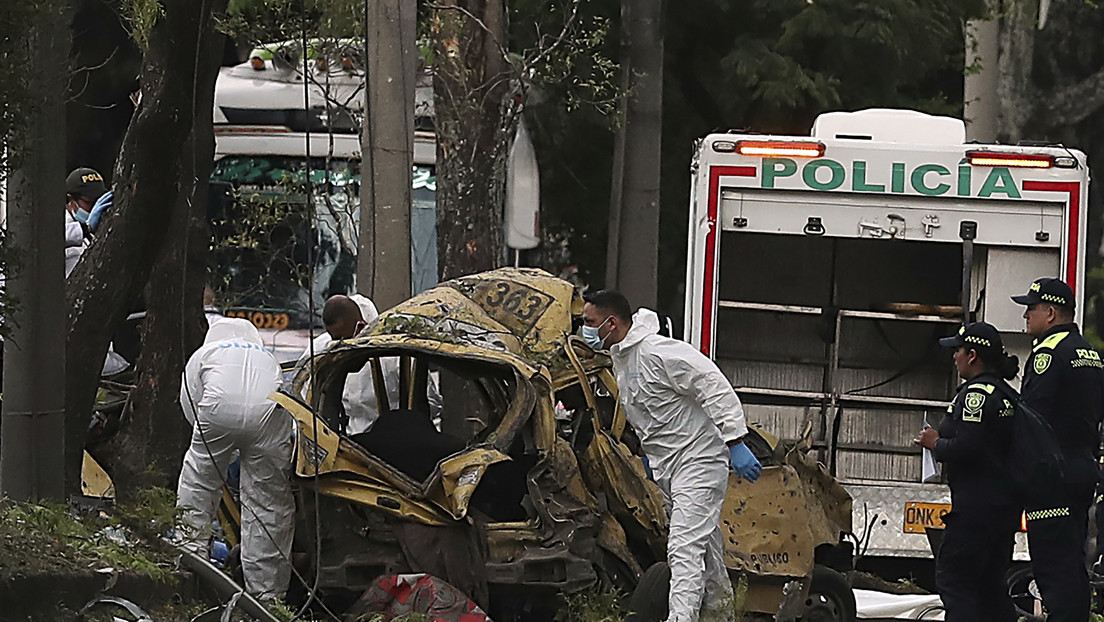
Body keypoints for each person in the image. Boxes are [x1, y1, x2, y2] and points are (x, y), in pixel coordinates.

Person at [582, 290, 761, 622]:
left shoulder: (657, 352)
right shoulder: (623, 360)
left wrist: (735, 439)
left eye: (589, 322)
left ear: (612, 322)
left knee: (683, 548)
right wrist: (651, 460)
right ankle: (720, 616)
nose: (585, 330)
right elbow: (651, 416)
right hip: (671, 466)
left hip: (699, 459)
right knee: (705, 552)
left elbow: (710, 383)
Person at [176, 318, 294, 601]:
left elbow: (190, 405)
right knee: (268, 504)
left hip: (217, 411)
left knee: (199, 486)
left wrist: (216, 452)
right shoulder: (266, 356)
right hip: (269, 416)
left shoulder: (204, 354)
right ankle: (268, 596)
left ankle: (191, 565)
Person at [1009, 277, 1104, 622]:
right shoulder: (1089, 353)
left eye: (1031, 309)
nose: (1026, 316)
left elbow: (1033, 420)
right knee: (1072, 563)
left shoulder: (1048, 353)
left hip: (1053, 476)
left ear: (1050, 313)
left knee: (1052, 566)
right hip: (1081, 468)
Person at [914, 322, 1020, 621]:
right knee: (990, 587)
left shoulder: (977, 395)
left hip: (976, 509)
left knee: (955, 581)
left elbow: (970, 447)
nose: (954, 356)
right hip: (1001, 509)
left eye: (958, 350)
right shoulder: (1006, 393)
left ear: (972, 355)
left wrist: (936, 443)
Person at [302, 294, 440, 434]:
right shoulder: (320, 349)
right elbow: (306, 399)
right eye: (336, 339)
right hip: (340, 439)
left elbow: (429, 403)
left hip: (392, 438)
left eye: (344, 339)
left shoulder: (397, 354)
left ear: (361, 327)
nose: (339, 346)